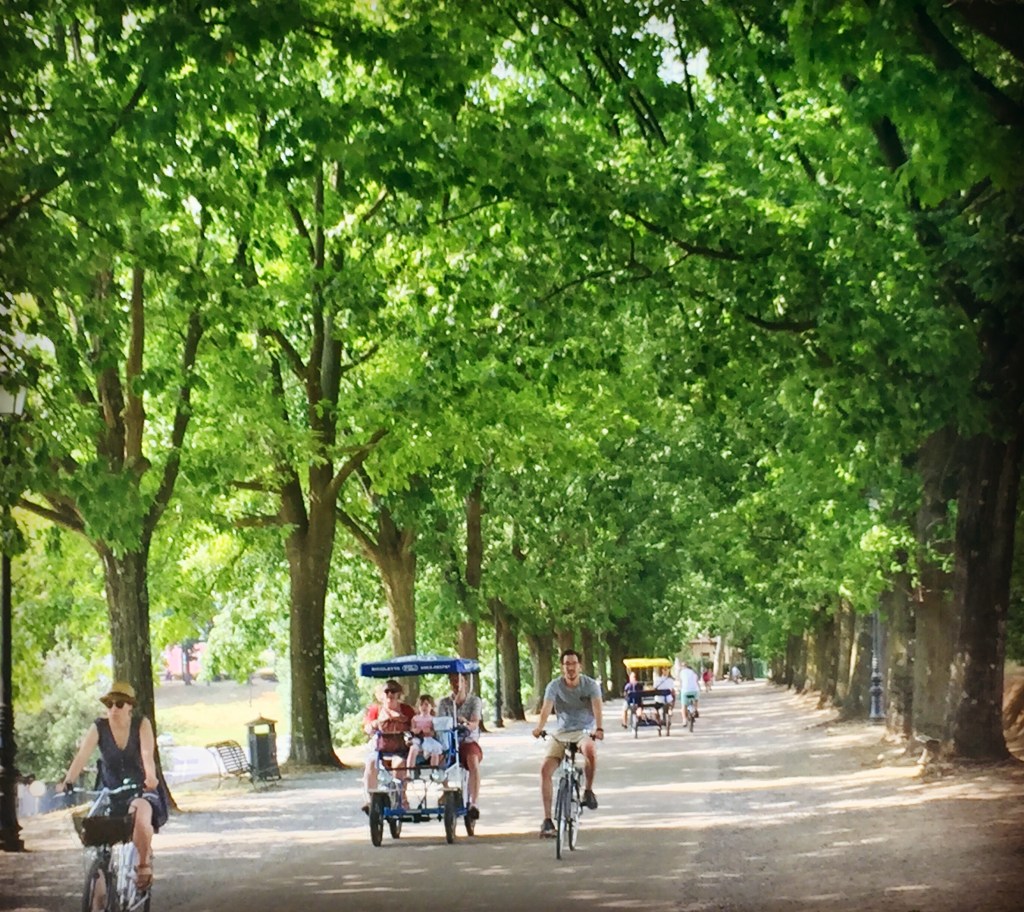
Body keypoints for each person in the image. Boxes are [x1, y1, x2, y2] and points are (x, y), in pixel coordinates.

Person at [60, 682, 167, 896]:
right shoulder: (99, 727)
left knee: (139, 812)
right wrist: (68, 780)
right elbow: (82, 755)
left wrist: (151, 777)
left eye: (119, 704)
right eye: (109, 704)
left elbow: (147, 755)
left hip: (139, 787)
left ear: (130, 707)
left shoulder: (141, 724)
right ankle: (98, 899)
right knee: (95, 832)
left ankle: (143, 865)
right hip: (109, 789)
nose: (113, 709)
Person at [532, 648, 604, 838]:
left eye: (574, 664)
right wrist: (539, 727)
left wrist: (599, 728)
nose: (570, 668)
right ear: (562, 667)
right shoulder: (554, 686)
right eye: (567, 664)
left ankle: (588, 790)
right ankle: (547, 820)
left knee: (590, 750)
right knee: (545, 770)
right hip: (561, 733)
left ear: (580, 666)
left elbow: (597, 707)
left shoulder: (590, 685)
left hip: (583, 731)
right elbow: (546, 708)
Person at [436, 671, 483, 820]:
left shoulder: (474, 701)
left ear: (465, 683)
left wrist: (466, 723)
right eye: (453, 681)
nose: (456, 684)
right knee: (437, 757)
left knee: (472, 760)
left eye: (459, 681)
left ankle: (473, 803)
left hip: (467, 741)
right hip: (449, 742)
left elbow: (475, 723)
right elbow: (440, 723)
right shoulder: (444, 703)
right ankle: (446, 790)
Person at [361, 680, 415, 810]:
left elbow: (414, 727)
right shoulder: (376, 710)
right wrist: (373, 725)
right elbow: (367, 727)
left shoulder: (406, 710)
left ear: (399, 694)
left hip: (399, 749)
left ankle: (400, 798)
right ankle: (371, 801)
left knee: (399, 764)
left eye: (393, 691)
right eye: (387, 691)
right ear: (382, 694)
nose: (390, 694)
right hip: (380, 750)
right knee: (371, 763)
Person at [406, 694, 446, 771]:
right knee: (413, 749)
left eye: (426, 705)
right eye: (421, 705)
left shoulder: (433, 719)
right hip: (418, 739)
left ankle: (434, 770)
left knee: (435, 751)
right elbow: (412, 730)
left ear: (431, 706)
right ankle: (409, 771)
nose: (424, 707)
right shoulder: (415, 718)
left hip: (429, 739)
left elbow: (434, 733)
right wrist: (415, 731)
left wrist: (429, 731)